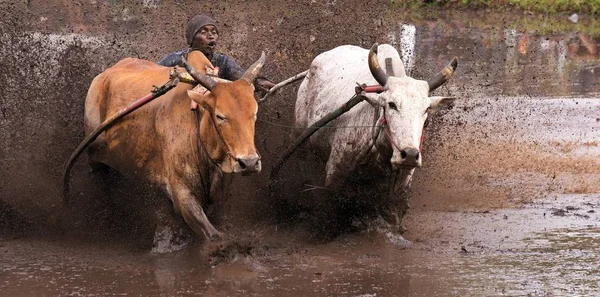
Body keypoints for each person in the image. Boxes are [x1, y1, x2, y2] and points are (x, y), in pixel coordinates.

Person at [158, 14, 275, 93]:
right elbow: (153, 74)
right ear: (192, 38)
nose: (211, 36)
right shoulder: (177, 59)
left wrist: (259, 82)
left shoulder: (223, 62)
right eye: (204, 32)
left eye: (214, 32)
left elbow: (241, 78)